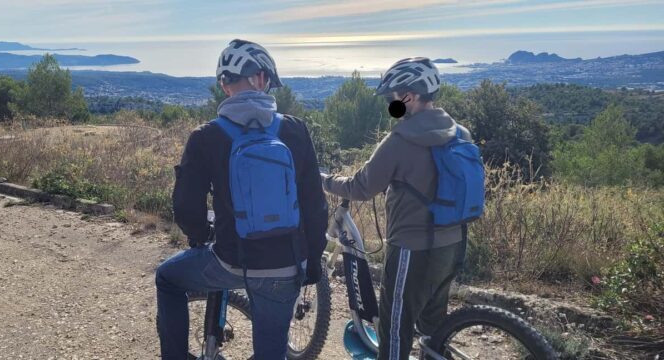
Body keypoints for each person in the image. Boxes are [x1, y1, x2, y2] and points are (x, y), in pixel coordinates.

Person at [156, 39, 328, 360]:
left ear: (224, 85)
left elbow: (185, 208)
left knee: (167, 278)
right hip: (286, 266)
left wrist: (201, 234)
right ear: (262, 80)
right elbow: (315, 205)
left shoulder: (206, 136)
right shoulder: (294, 130)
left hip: (231, 261)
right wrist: (313, 259)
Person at [321, 57, 471, 360]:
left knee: (395, 326)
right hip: (453, 242)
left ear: (409, 97)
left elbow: (361, 186)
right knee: (433, 322)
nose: (391, 104)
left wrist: (324, 180)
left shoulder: (401, 139)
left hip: (411, 248)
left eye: (393, 97)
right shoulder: (459, 132)